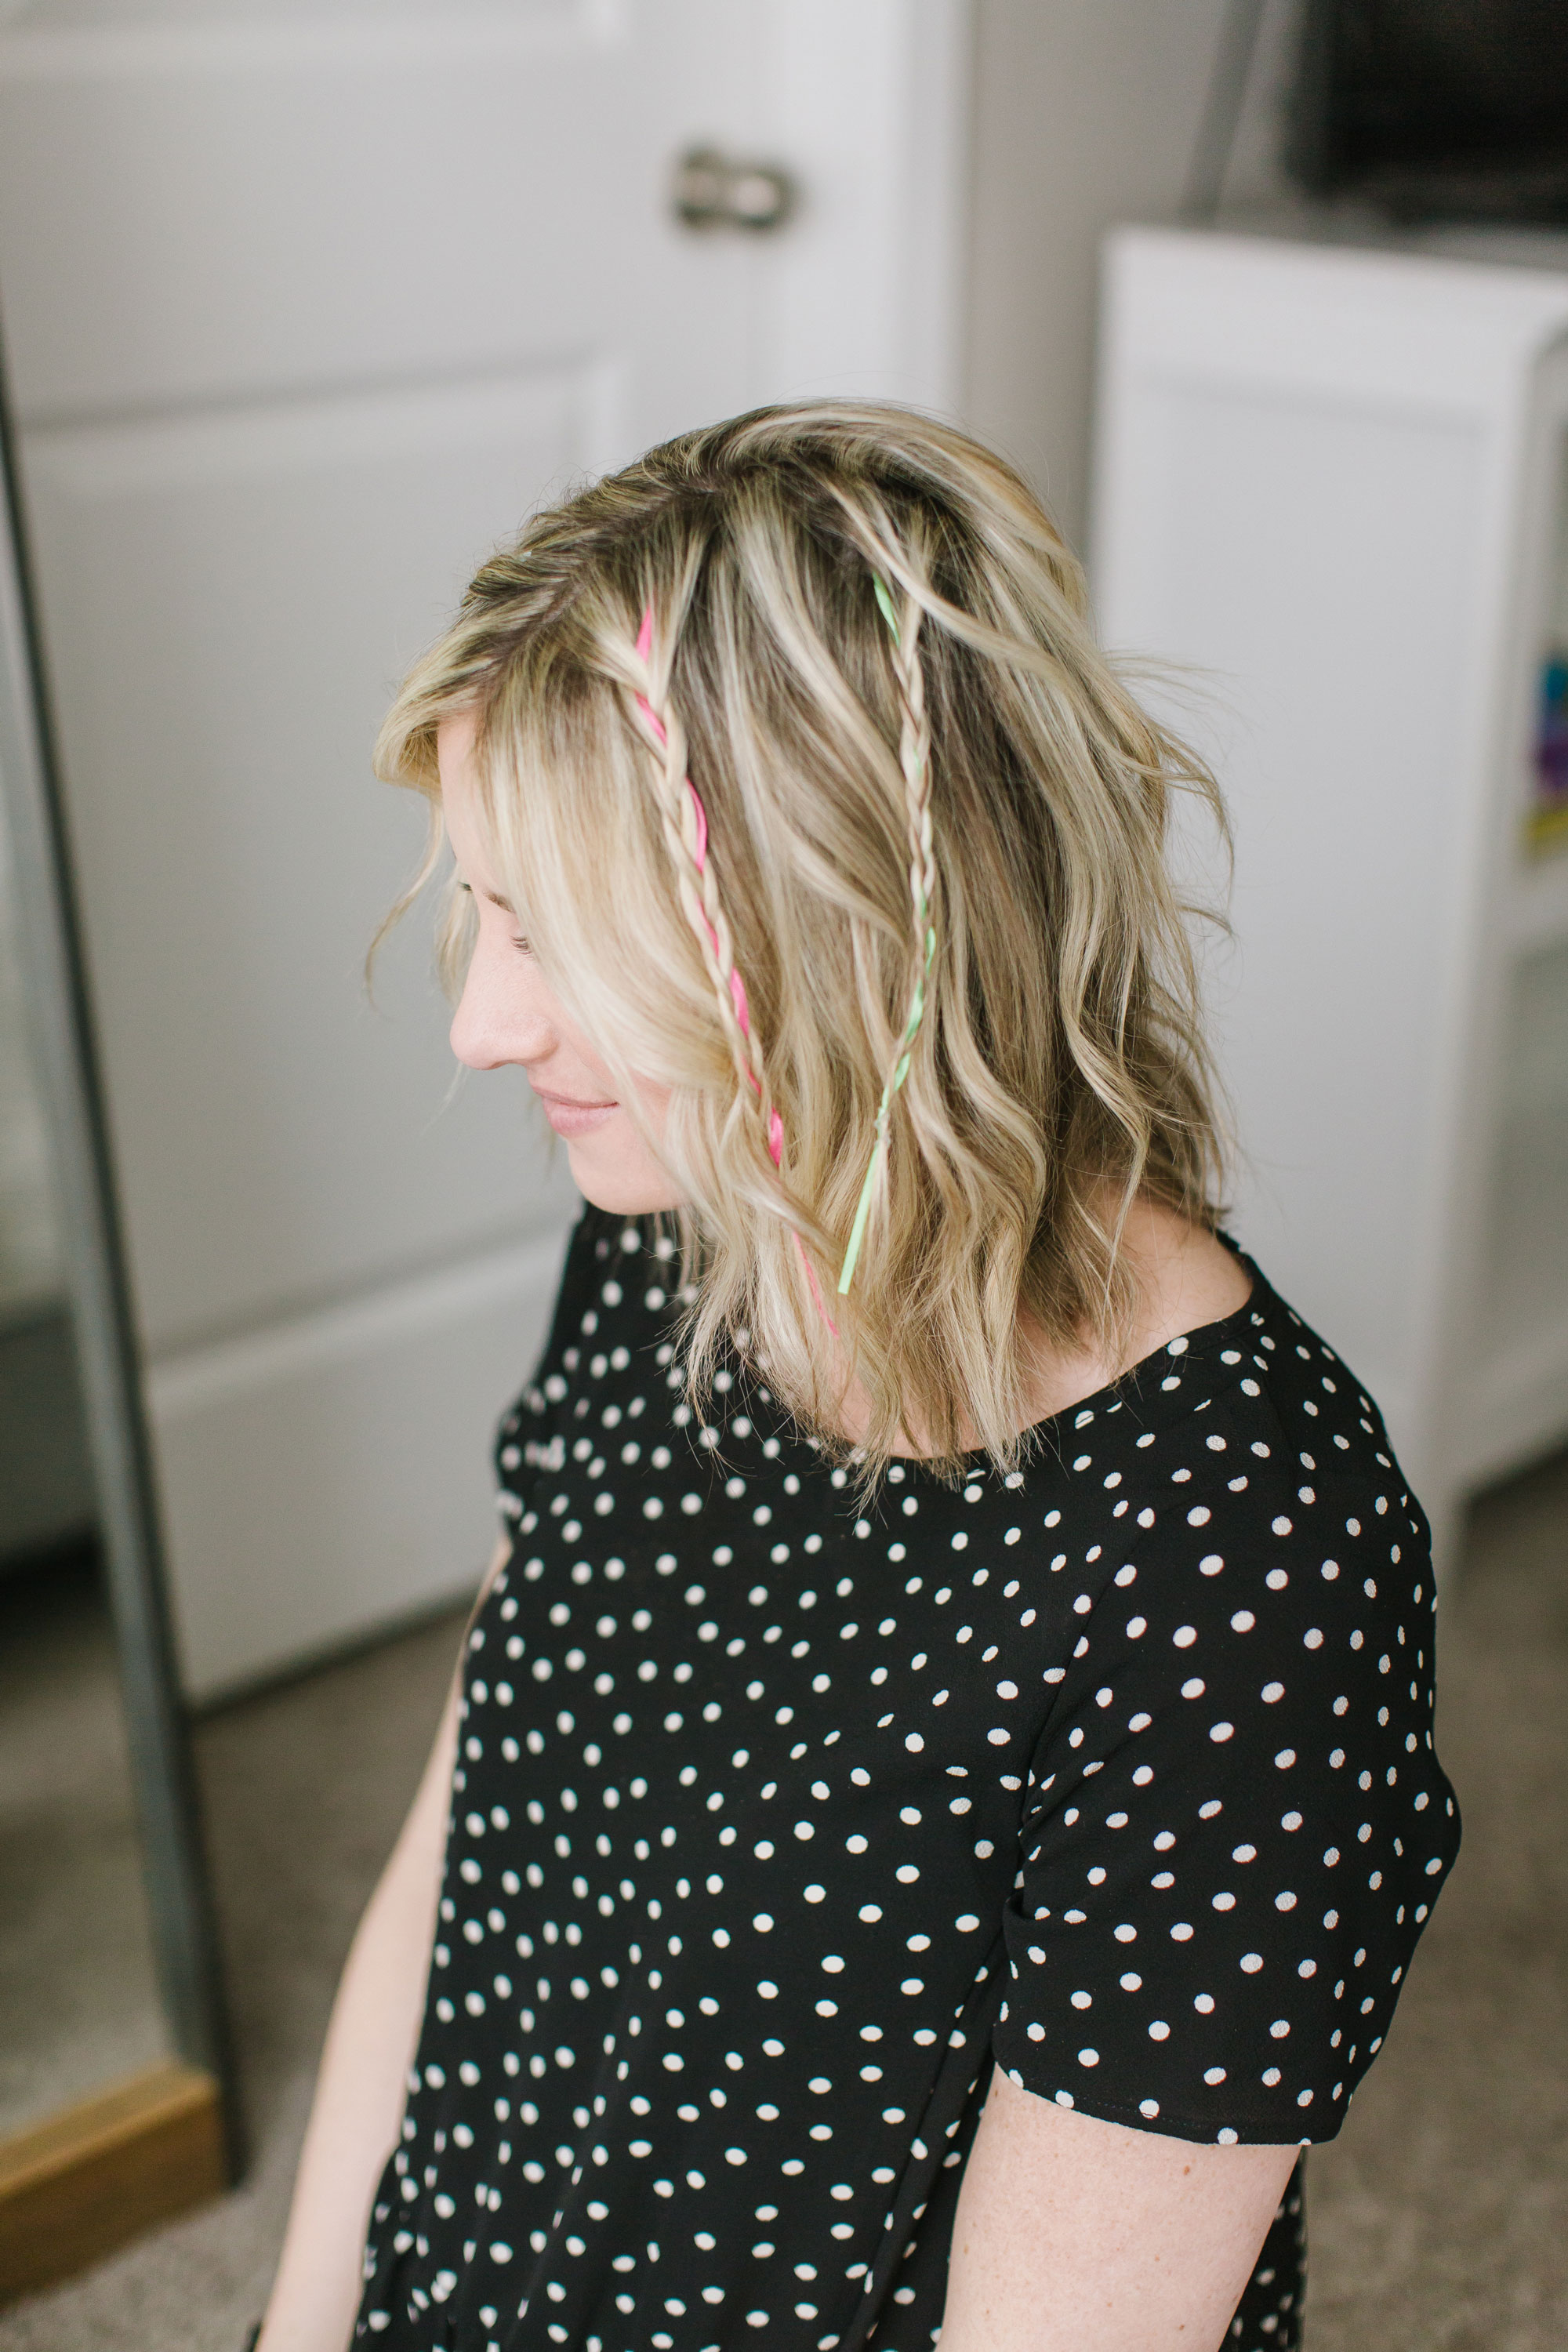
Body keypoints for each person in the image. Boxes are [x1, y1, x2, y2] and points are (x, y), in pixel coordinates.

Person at [253, 403, 1459, 2352]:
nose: (481, 1025)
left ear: (841, 940)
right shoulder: (682, 1224)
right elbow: (468, 1853)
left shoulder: (1243, 1559)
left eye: (556, 936)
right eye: (482, 910)